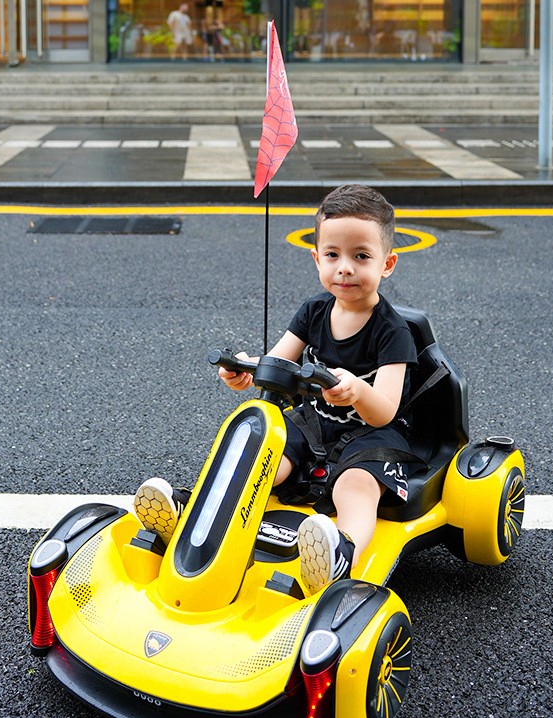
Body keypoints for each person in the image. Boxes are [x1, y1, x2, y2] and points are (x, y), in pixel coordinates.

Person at [134, 184, 417, 595]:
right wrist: (247, 371)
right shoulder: (313, 311)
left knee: (354, 486)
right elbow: (278, 363)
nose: (344, 268)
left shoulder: (393, 331)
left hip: (372, 435)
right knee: (264, 456)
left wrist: (358, 391)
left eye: (361, 256)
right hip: (315, 424)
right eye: (333, 255)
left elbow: (386, 409)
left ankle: (342, 551)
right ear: (316, 258)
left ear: (387, 264)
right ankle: (192, 510)